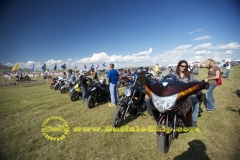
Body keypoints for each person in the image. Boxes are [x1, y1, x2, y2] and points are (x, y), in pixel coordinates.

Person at [171, 60, 200, 127]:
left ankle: (193, 121)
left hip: (186, 95)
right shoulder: (173, 74)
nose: (184, 67)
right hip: (174, 95)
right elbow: (166, 80)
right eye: (182, 66)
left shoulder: (190, 75)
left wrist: (199, 85)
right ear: (179, 66)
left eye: (185, 66)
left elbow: (196, 82)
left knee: (196, 101)